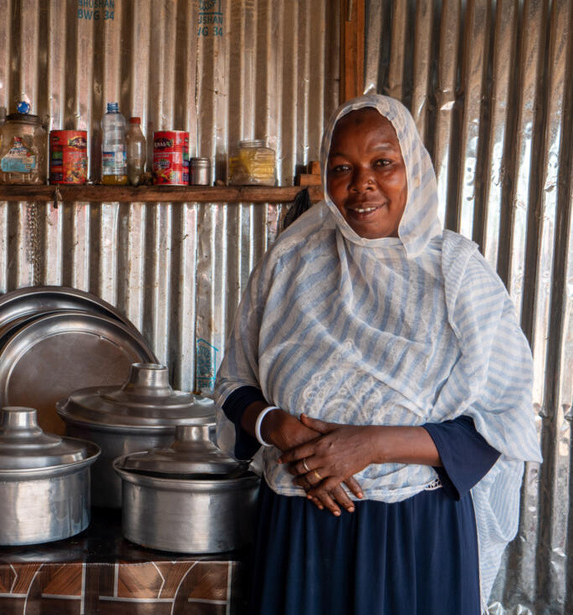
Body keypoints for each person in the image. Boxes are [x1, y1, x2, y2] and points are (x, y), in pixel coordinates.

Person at [214, 94, 542, 614]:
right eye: (343, 167)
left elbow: (500, 428)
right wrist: (278, 428)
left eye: (382, 163)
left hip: (413, 538)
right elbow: (234, 385)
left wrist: (368, 446)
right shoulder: (290, 263)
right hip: (300, 531)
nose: (361, 183)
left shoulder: (457, 274)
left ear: (413, 167)